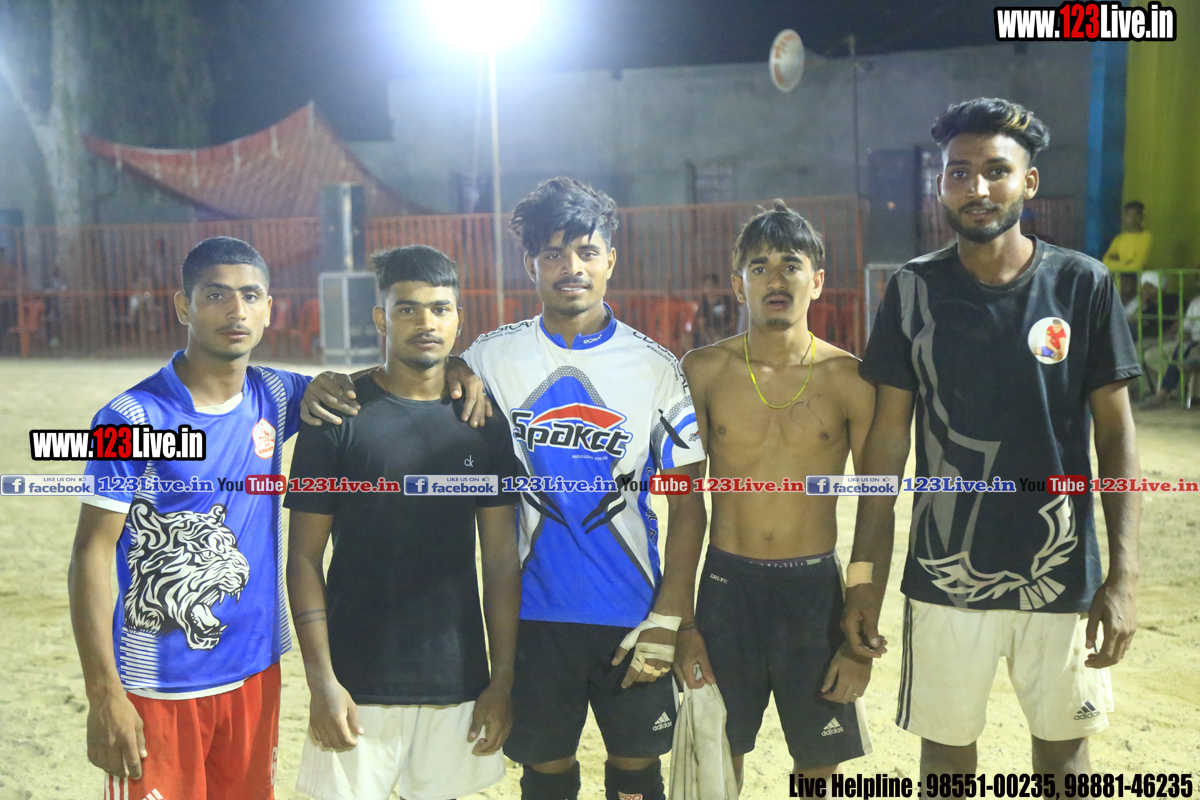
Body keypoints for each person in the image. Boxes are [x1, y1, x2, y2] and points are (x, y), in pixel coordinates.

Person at [302, 177, 708, 800]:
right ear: (530, 264)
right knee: (545, 773)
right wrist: (335, 382)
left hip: (632, 614)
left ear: (611, 259)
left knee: (636, 772)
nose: (571, 268)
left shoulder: (655, 367)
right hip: (532, 618)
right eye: (553, 254)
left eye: (587, 252)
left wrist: (669, 615)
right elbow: (422, 375)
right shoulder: (490, 359)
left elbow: (689, 502)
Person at [843, 98, 1142, 780]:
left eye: (996, 171)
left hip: (1061, 572)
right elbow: (886, 443)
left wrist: (1123, 575)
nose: (977, 187)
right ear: (941, 185)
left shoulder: (1082, 284)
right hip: (944, 573)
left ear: (1028, 182)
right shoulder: (913, 289)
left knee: (1065, 758)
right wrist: (864, 579)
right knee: (946, 761)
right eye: (960, 172)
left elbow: (1117, 433)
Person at [69, 237, 312, 800]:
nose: (236, 311)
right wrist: (104, 694)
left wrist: (457, 372)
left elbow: (380, 387)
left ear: (269, 308)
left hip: (256, 671)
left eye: (250, 296)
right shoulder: (131, 418)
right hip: (159, 684)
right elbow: (91, 553)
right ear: (184, 306)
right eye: (216, 295)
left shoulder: (276, 395)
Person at [285, 245, 523, 800]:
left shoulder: (482, 423)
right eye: (407, 309)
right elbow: (303, 559)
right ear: (381, 318)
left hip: (457, 679)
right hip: (355, 683)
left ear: (459, 318)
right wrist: (322, 681)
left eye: (440, 309)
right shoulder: (337, 416)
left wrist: (501, 681)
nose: (426, 323)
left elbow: (500, 560)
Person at [678, 201, 876, 792]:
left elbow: (877, 505)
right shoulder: (703, 371)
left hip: (813, 591)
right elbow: (682, 504)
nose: (775, 279)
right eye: (759, 267)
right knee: (719, 754)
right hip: (726, 588)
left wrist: (860, 610)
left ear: (817, 281)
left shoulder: (850, 379)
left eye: (791, 265)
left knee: (819, 765)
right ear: (738, 284)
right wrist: (682, 620)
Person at [1142, 292, 1200, 407]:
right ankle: (1175, 389)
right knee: (1151, 355)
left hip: (1194, 343)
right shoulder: (1196, 302)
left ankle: (1164, 393)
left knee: (1182, 352)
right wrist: (1184, 335)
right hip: (1191, 342)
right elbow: (1186, 327)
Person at [1102, 201, 1152, 274]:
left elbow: (1137, 267)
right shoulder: (1120, 238)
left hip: (1141, 277)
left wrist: (1116, 264)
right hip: (1121, 277)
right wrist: (1125, 263)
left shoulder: (1146, 238)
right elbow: (1105, 263)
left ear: (1142, 217)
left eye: (1136, 215)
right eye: (1129, 215)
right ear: (1125, 217)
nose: (1132, 219)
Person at [695, 271, 736, 347]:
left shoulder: (726, 300)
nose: (709, 288)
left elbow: (734, 319)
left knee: (718, 338)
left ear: (717, 286)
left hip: (723, 331)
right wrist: (709, 339)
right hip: (707, 332)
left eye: (712, 285)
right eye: (706, 285)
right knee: (686, 339)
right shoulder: (703, 303)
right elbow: (701, 324)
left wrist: (723, 330)